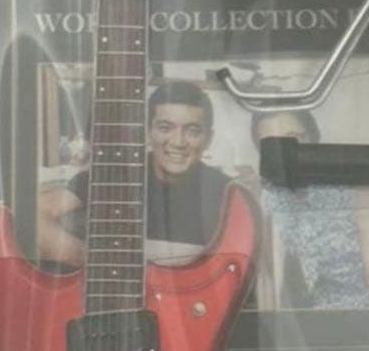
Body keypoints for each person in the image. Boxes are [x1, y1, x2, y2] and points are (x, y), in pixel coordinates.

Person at [37, 80, 231, 266]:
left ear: (208, 139)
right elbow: (34, 214)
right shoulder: (113, 175)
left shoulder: (228, 193)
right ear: (148, 131)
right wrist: (91, 260)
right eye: (165, 128)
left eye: (192, 131)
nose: (178, 142)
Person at [251, 109, 369, 310]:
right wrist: (269, 324)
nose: (283, 154)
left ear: (313, 138)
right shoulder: (272, 196)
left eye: (293, 140)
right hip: (335, 294)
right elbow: (270, 276)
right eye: (271, 147)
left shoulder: (358, 191)